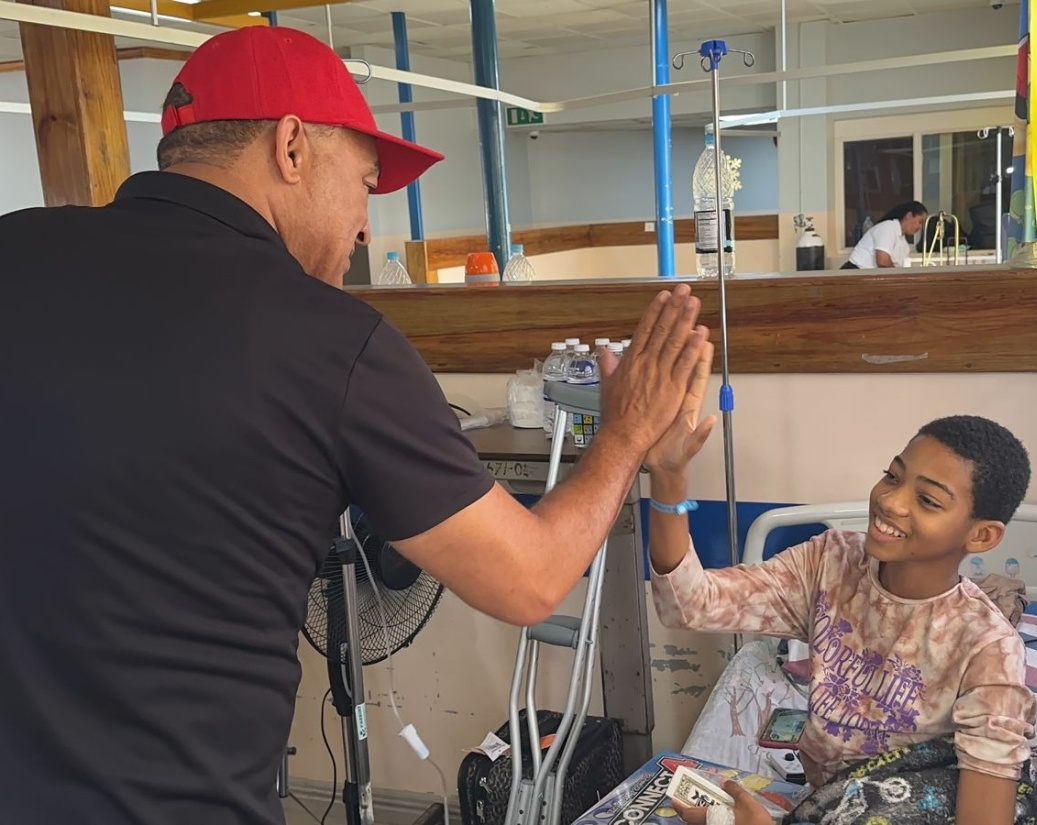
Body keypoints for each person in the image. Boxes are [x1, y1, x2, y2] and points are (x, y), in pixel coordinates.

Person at [0, 26, 712, 825]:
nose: (369, 227)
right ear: (293, 148)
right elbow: (531, 578)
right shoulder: (330, 342)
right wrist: (625, 435)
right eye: (366, 183)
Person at [643, 361, 1035, 825]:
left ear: (983, 536)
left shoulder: (986, 648)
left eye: (928, 500)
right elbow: (689, 604)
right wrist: (668, 481)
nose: (890, 501)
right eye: (892, 476)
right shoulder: (830, 563)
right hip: (828, 806)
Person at [842, 200, 928, 269]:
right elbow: (883, 261)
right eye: (920, 222)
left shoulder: (904, 244)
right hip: (854, 273)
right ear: (909, 215)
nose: (920, 227)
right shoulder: (888, 228)